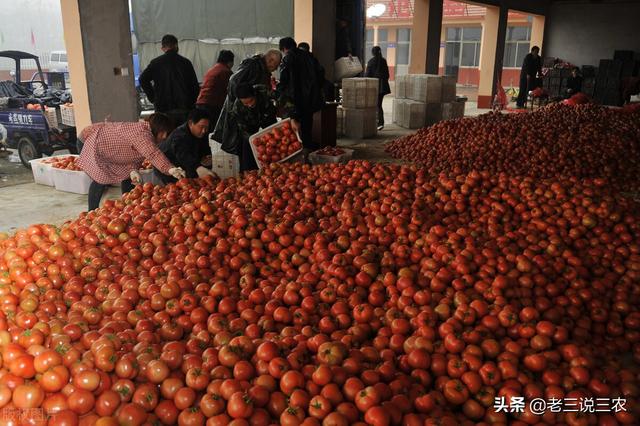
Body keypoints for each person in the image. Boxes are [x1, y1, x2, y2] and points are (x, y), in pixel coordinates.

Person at [77, 114, 185, 211]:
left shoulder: (145, 132)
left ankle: (127, 206)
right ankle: (91, 212)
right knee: (100, 177)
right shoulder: (142, 134)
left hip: (106, 148)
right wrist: (170, 168)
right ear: (163, 133)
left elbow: (133, 155)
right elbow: (153, 154)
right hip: (90, 140)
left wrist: (133, 170)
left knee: (128, 177)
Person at [214, 49, 282, 156]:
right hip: (244, 115)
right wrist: (243, 100)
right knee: (246, 144)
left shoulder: (261, 71)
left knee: (257, 144)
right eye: (276, 65)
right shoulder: (253, 65)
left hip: (254, 113)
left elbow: (276, 97)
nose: (276, 68)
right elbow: (233, 81)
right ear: (270, 60)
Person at [139, 34, 200, 125]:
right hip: (184, 108)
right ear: (176, 46)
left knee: (165, 134)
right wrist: (191, 102)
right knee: (182, 135)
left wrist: (153, 97)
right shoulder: (186, 63)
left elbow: (143, 79)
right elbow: (195, 86)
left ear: (163, 48)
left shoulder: (156, 63)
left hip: (162, 108)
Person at [277, 37, 324, 152]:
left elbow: (284, 82)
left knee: (293, 129)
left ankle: (295, 152)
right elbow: (321, 74)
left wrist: (279, 92)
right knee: (307, 127)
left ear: (284, 49)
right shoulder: (310, 56)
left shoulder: (287, 59)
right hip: (310, 99)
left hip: (294, 100)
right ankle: (307, 150)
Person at [217, 83, 276, 172]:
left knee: (273, 142)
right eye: (245, 103)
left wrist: (292, 116)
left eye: (251, 101)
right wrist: (256, 142)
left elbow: (281, 98)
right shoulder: (237, 107)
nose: (249, 105)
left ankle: (276, 167)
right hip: (250, 124)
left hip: (267, 117)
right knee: (247, 145)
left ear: (254, 94)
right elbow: (243, 129)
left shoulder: (263, 91)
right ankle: (249, 173)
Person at [154, 108, 215, 184]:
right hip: (167, 167)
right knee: (176, 190)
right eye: (201, 127)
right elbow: (183, 155)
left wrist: (206, 158)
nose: (204, 131)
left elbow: (203, 150)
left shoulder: (201, 134)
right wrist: (198, 167)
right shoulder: (179, 136)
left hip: (185, 167)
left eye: (206, 127)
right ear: (190, 123)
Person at [197, 50, 235, 125]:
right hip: (212, 105)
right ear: (230, 62)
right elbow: (231, 91)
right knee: (214, 129)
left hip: (200, 103)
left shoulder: (211, 70)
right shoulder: (226, 72)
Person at [365, 46, 391, 130]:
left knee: (375, 105)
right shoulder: (384, 61)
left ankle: (377, 123)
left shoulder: (371, 62)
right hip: (383, 87)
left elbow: (367, 76)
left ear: (373, 53)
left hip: (374, 87)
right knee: (379, 105)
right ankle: (380, 123)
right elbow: (387, 75)